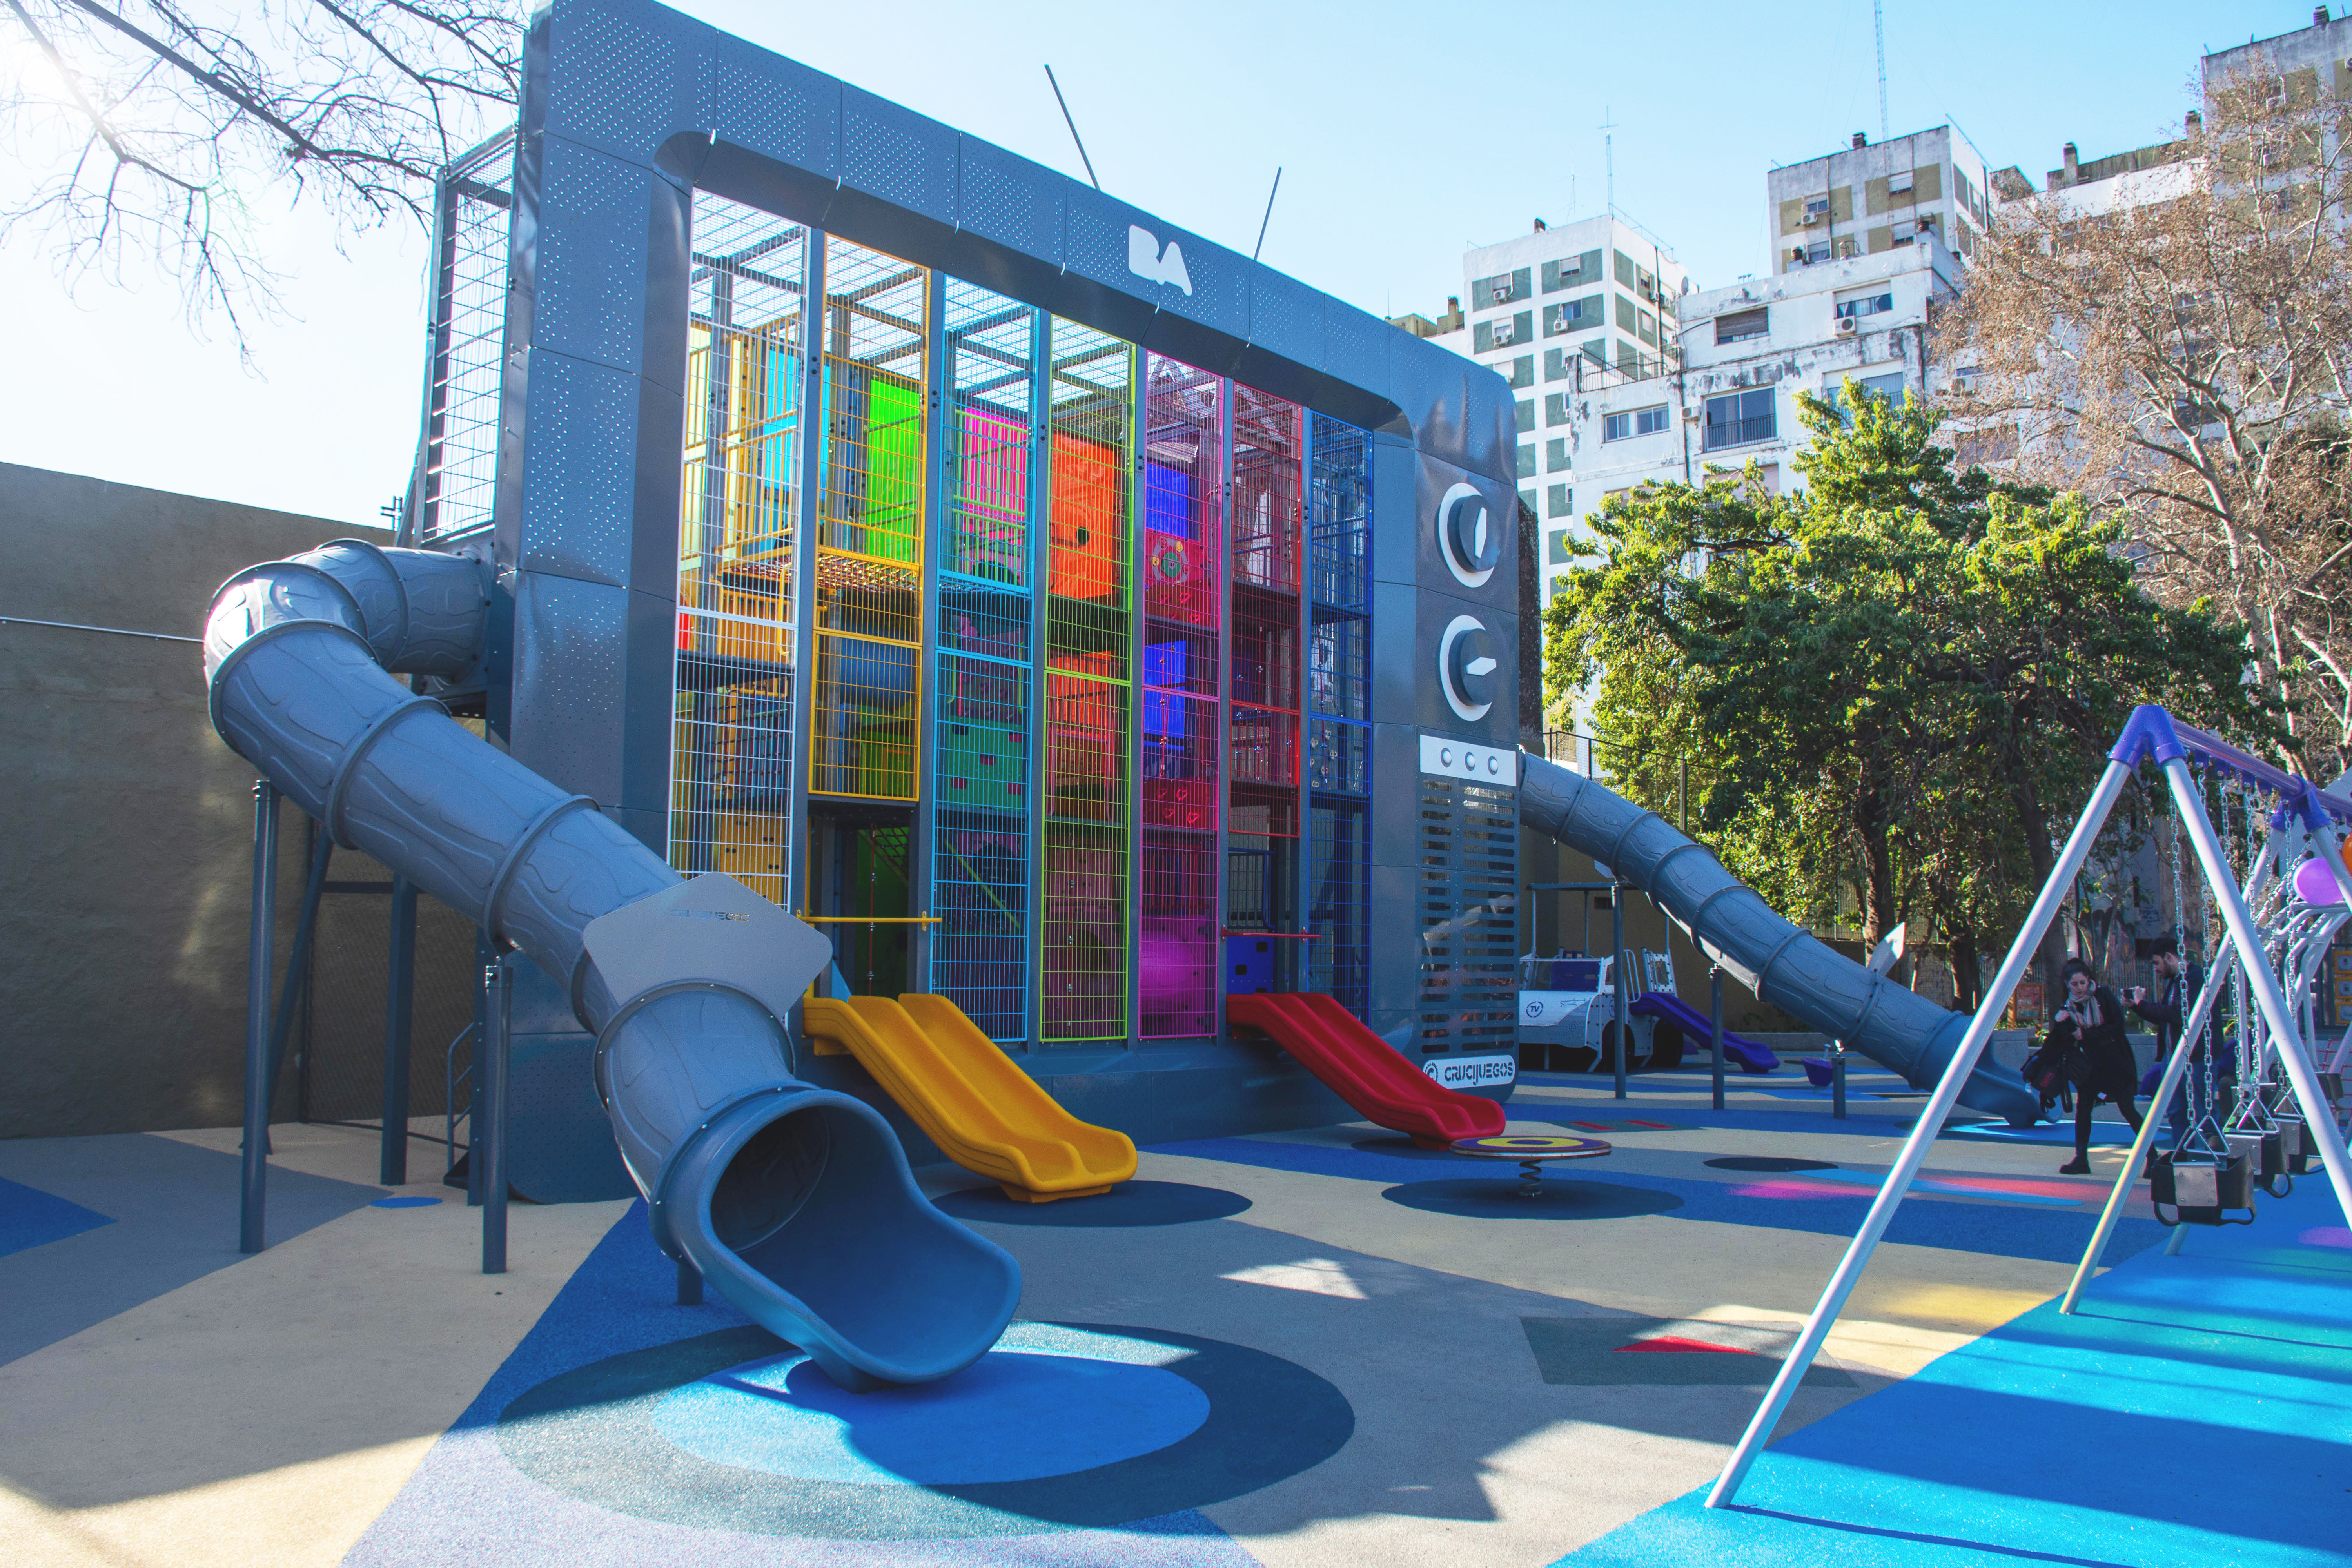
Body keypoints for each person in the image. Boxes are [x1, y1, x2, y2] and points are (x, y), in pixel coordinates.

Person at [2121, 936, 2229, 1141]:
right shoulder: (2175, 982)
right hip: (2174, 1058)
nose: (2155, 969)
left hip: (2197, 1058)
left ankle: (2211, 1155)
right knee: (2177, 1111)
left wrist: (2141, 1006)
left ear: (2169, 957)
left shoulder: (2195, 979)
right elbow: (2168, 1015)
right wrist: (2139, 1006)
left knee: (2203, 1110)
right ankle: (2181, 1154)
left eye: (2157, 963)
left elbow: (2179, 1014)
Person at [2045, 958, 2144, 1175]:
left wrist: (2086, 1035)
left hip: (2117, 1062)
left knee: (2128, 1109)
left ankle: (2152, 1155)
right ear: (2067, 984)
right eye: (2075, 984)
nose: (2080, 988)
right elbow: (2067, 1038)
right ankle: (2081, 1158)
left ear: (2089, 980)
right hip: (2091, 1065)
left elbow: (2118, 1026)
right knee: (2083, 1110)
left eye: (2083, 982)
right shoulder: (2068, 1006)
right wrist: (2062, 1022)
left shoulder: (2103, 995)